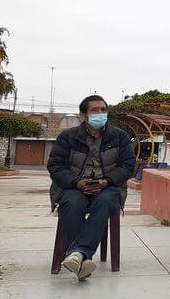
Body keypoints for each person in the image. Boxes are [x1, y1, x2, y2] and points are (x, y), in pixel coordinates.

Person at [47, 95, 135, 280]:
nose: (100, 114)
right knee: (72, 203)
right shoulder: (67, 137)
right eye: (94, 110)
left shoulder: (120, 136)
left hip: (108, 186)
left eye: (103, 110)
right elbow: (56, 166)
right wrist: (77, 183)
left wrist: (106, 181)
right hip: (73, 186)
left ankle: (77, 254)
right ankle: (83, 258)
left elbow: (127, 166)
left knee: (105, 202)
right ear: (83, 115)